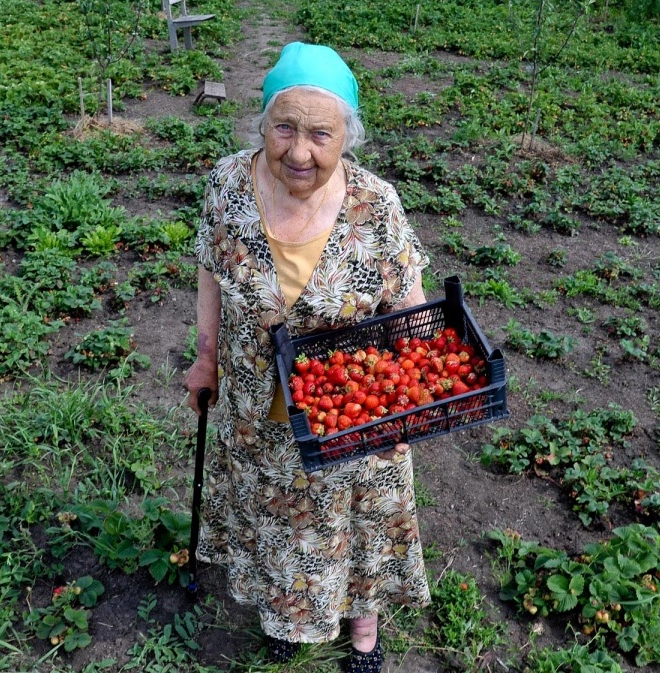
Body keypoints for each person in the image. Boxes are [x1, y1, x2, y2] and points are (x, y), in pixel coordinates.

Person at [182, 42, 431, 672]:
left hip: (348, 408)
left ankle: (364, 631)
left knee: (360, 518)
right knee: (274, 514)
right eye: (283, 127)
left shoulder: (377, 206)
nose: (299, 151)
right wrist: (205, 356)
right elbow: (211, 272)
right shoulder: (228, 185)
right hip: (254, 402)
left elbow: (411, 306)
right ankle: (286, 617)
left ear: (348, 135)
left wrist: (409, 382)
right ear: (261, 123)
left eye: (320, 133)